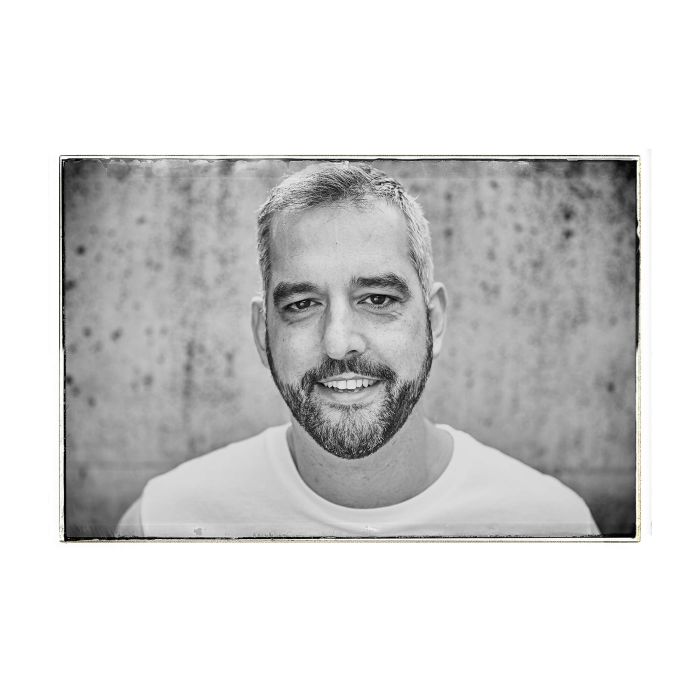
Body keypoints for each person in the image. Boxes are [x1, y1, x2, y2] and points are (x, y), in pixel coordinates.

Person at [116, 162, 600, 538]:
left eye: (378, 299)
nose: (338, 342)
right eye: (302, 304)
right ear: (263, 332)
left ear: (434, 320)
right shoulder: (167, 522)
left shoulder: (551, 526)